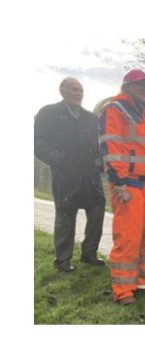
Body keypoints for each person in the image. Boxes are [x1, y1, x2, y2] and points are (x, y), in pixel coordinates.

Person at [99, 69, 145, 305]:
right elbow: (110, 145)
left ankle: (144, 281)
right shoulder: (114, 109)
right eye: (140, 84)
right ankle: (122, 288)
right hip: (128, 184)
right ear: (128, 86)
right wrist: (118, 181)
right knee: (128, 238)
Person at [34, 77, 106, 272]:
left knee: (98, 208)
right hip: (66, 174)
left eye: (81, 90)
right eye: (73, 90)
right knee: (66, 214)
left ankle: (89, 253)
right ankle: (63, 260)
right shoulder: (48, 113)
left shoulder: (91, 118)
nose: (78, 94)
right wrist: (58, 159)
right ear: (62, 91)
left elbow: (98, 144)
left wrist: (101, 162)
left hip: (90, 175)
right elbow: (38, 142)